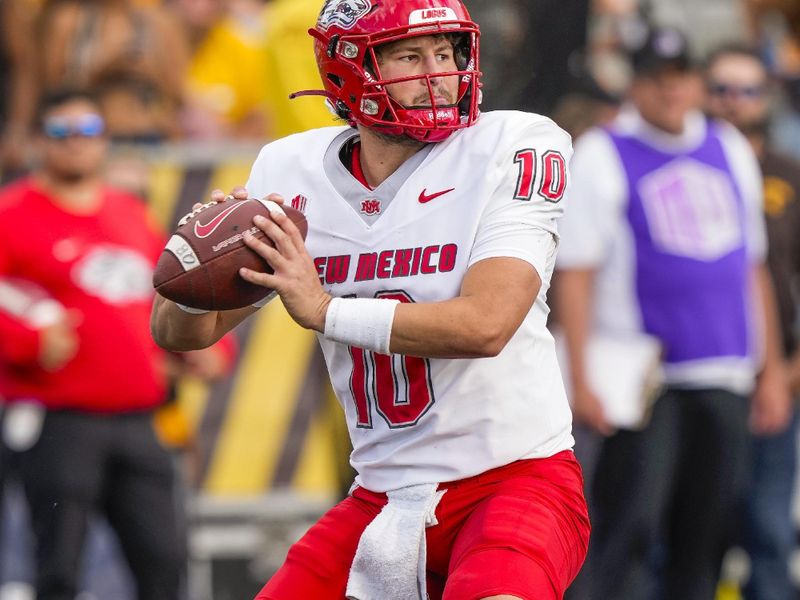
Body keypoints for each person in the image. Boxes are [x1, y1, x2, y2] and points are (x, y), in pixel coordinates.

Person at [151, 1, 591, 599]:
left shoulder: (514, 143)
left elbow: (488, 326)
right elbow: (182, 335)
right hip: (381, 493)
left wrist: (325, 310)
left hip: (512, 481)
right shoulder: (292, 169)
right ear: (347, 71)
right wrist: (197, 272)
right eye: (410, 56)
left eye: (445, 52)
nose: (438, 73)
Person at [554, 27, 791, 600]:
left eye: (681, 78)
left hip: (723, 367)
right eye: (656, 79)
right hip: (643, 375)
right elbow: (576, 271)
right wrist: (579, 377)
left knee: (709, 531)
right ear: (635, 84)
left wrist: (772, 368)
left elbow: (750, 266)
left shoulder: (727, 145)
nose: (671, 91)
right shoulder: (604, 151)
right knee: (630, 525)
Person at [0, 88, 186, 600]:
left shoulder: (127, 212)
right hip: (59, 419)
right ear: (38, 141)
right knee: (58, 568)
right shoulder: (12, 214)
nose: (77, 144)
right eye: (62, 132)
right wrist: (26, 339)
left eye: (89, 131)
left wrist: (194, 349)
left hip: (136, 418)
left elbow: (161, 294)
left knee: (165, 562)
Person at [706, 43, 800, 600]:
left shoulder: (788, 175)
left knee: (766, 526)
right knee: (693, 526)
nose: (733, 102)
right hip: (698, 376)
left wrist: (788, 371)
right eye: (721, 88)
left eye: (746, 90)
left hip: (776, 373)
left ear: (765, 99)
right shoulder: (684, 162)